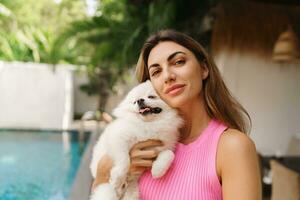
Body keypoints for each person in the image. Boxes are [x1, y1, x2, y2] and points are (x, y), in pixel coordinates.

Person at [92, 30, 262, 199]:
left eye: (178, 62)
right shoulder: (140, 143)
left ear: (203, 69)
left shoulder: (233, 146)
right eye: (156, 72)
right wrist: (103, 172)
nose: (167, 76)